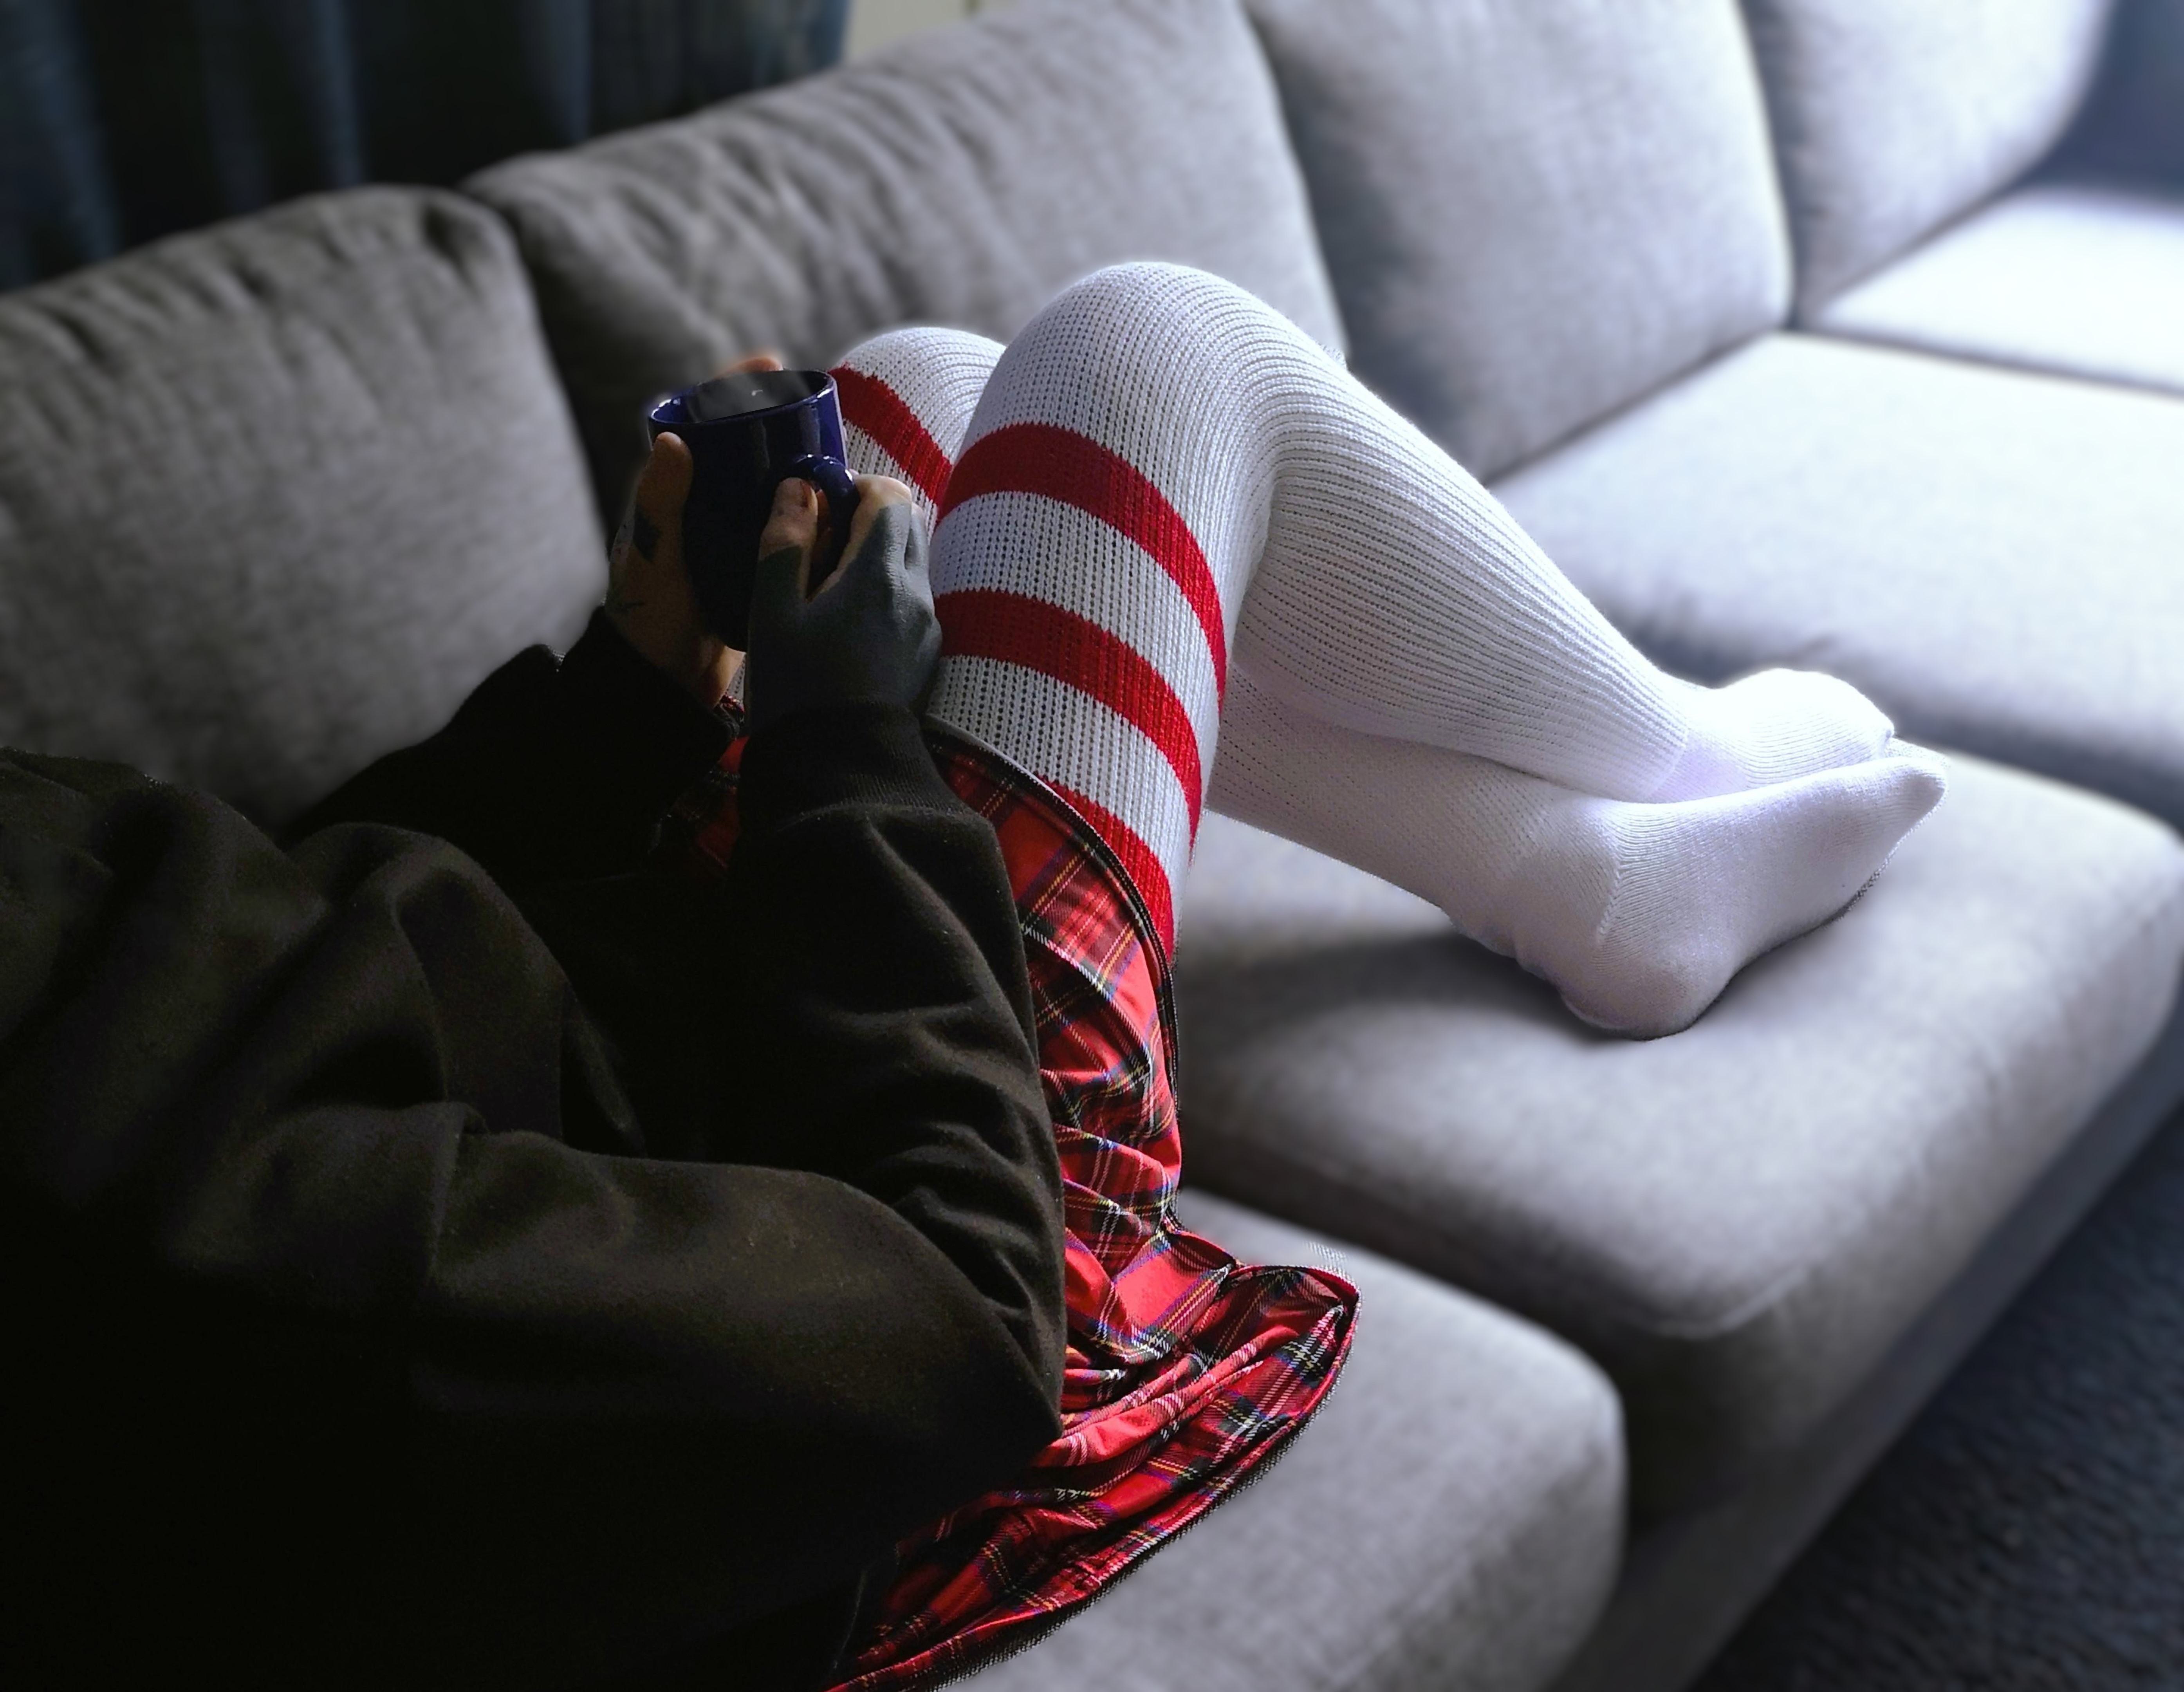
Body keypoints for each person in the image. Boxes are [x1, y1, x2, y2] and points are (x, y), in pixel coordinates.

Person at [0, 262, 1942, 1692]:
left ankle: (1573, 878)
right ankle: (1676, 752)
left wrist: (635, 684)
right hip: (890, 1220)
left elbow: (264, 928)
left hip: (660, 1039)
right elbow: (943, 1321)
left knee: (914, 400)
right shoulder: (179, 1259)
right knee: (1151, 348)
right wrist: (841, 751)